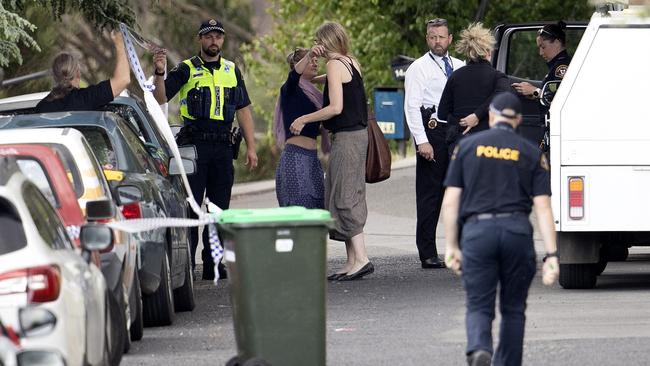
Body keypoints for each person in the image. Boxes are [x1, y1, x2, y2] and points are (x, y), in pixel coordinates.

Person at [441, 92, 560, 366]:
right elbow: (543, 208)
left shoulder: (467, 147)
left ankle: (480, 347)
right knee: (514, 309)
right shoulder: (532, 153)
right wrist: (552, 255)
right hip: (516, 232)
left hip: (478, 233)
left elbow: (450, 203)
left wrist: (451, 246)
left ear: (491, 116)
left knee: (479, 304)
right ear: (518, 120)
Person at [152, 18, 258, 280]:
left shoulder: (232, 70)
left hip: (223, 147)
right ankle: (186, 265)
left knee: (219, 209)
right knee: (192, 207)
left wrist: (252, 147)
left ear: (222, 40)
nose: (214, 41)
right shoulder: (187, 68)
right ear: (200, 39)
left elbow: (243, 109)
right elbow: (161, 98)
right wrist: (159, 73)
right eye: (209, 36)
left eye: (218, 37)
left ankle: (214, 263)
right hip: (195, 147)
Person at [289, 22, 373, 281]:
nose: (318, 45)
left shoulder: (334, 65)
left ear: (327, 41)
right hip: (358, 136)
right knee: (342, 192)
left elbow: (335, 107)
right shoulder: (350, 62)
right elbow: (310, 78)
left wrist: (304, 118)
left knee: (345, 195)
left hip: (347, 138)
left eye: (319, 41)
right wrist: (311, 57)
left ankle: (361, 258)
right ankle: (351, 261)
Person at [403, 18, 465, 269]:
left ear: (450, 39)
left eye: (441, 36)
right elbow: (411, 106)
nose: (437, 41)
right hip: (433, 132)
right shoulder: (418, 68)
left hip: (457, 132)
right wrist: (421, 141)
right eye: (432, 37)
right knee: (430, 195)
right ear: (427, 39)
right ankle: (427, 252)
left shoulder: (460, 66)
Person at [437, 23, 510, 153]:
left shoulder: (455, 76)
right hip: (488, 145)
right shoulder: (498, 77)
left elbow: (442, 113)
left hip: (460, 144)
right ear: (488, 51)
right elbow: (502, 97)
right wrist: (477, 115)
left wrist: (461, 121)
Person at [273, 47, 328, 209]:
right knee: (299, 210)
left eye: (316, 60)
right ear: (298, 65)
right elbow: (294, 76)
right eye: (310, 60)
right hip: (295, 158)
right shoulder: (290, 89)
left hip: (313, 159)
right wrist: (310, 53)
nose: (315, 62)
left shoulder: (316, 96)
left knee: (318, 209)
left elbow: (335, 77)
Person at [35, 30, 130, 112]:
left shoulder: (41, 108)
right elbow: (123, 79)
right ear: (77, 73)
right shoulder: (87, 98)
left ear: (55, 75)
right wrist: (120, 44)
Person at [511, 21, 572, 104]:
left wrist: (534, 91)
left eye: (543, 47)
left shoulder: (562, 67)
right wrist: (531, 92)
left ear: (557, 42)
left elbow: (560, 99)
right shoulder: (558, 65)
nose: (540, 53)